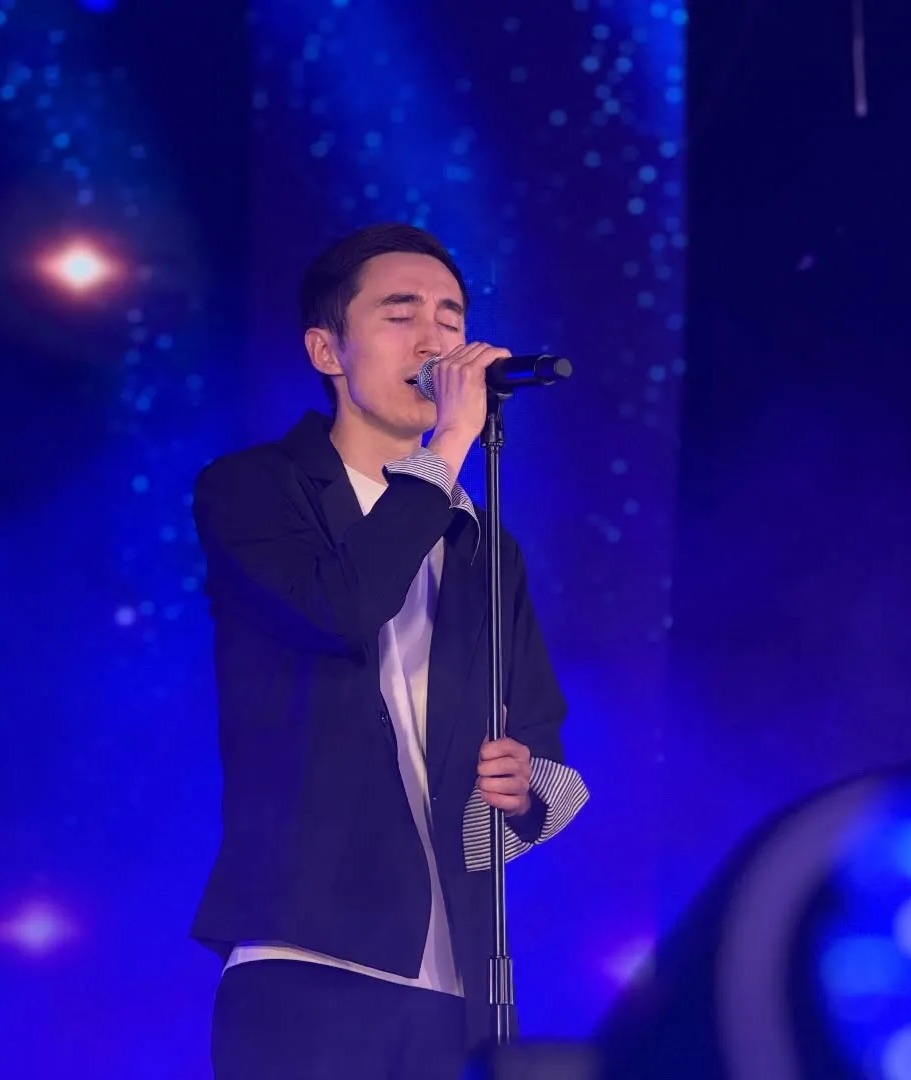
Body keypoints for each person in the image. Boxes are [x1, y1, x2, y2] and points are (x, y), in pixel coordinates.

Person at [191, 222, 589, 1079]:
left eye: (451, 318)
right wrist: (446, 448)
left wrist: (521, 787)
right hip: (307, 955)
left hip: (460, 984)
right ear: (326, 350)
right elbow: (341, 606)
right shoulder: (254, 487)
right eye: (401, 315)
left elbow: (545, 750)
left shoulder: (485, 546)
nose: (435, 341)